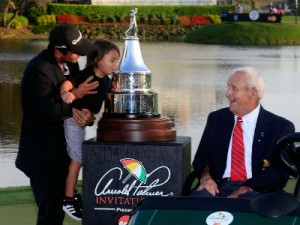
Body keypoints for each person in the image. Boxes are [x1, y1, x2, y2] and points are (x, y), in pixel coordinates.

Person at [15, 24, 99, 225]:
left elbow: (76, 106)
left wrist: (89, 118)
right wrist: (75, 95)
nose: (80, 55)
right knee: (50, 214)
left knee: (57, 213)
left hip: (63, 152)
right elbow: (47, 114)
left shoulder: (72, 66)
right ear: (59, 50)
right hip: (42, 156)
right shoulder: (38, 70)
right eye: (76, 51)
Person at [191, 67, 295, 199]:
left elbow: (279, 173)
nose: (227, 93)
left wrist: (248, 187)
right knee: (196, 203)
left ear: (253, 92)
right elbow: (201, 159)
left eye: (233, 88)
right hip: (216, 187)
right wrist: (206, 177)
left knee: (251, 205)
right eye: (228, 87)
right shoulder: (216, 119)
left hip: (257, 190)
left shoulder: (280, 127)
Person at [60, 39, 120, 221]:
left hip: (83, 123)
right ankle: (68, 199)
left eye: (117, 60)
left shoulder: (107, 81)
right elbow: (67, 84)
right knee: (77, 158)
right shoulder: (86, 74)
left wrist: (115, 92)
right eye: (112, 60)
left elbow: (111, 99)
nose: (115, 64)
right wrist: (66, 93)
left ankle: (75, 194)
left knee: (82, 157)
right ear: (98, 59)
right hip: (73, 120)